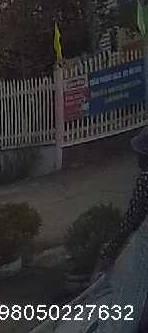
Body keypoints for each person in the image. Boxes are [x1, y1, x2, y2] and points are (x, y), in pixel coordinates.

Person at [96, 127, 148, 333]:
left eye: (140, 154)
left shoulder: (145, 181)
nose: (137, 158)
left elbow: (131, 221)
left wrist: (110, 252)